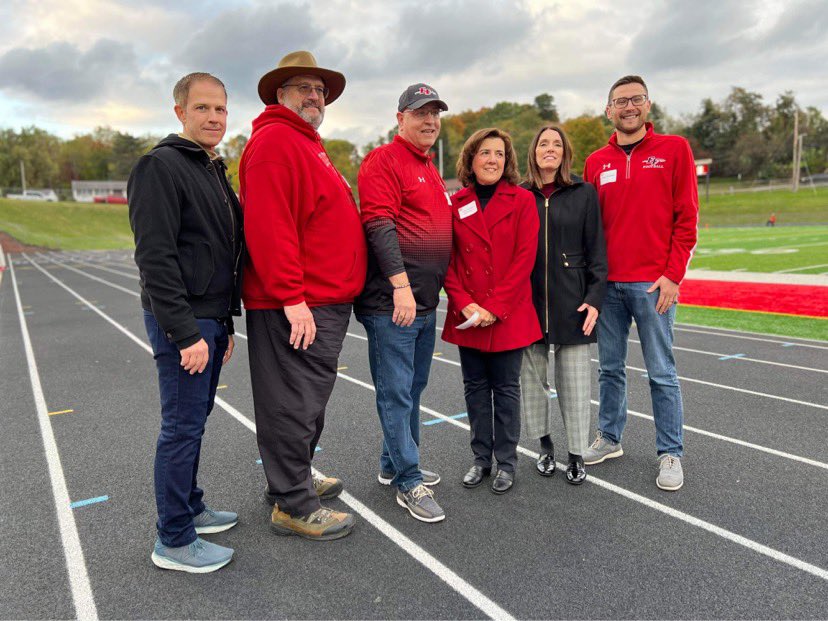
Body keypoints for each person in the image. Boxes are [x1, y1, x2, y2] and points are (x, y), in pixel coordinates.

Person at [241, 51, 367, 539]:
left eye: (319, 90)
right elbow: (270, 225)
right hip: (298, 303)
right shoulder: (276, 141)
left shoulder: (304, 142)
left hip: (321, 300)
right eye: (303, 88)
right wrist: (292, 297)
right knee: (292, 402)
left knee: (307, 401)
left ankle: (292, 480)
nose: (314, 96)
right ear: (280, 95)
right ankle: (293, 504)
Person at [129, 72, 243, 573]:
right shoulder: (160, 166)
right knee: (180, 427)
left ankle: (192, 507)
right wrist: (185, 333)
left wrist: (226, 323)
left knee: (194, 422)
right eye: (202, 108)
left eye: (220, 109)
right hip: (185, 323)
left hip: (210, 318)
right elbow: (155, 258)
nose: (214, 117)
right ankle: (173, 538)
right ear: (180, 112)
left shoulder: (212, 167)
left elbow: (221, 250)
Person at [582, 75, 698, 491]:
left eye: (636, 99)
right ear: (608, 110)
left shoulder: (674, 149)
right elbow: (590, 227)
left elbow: (687, 217)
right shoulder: (596, 162)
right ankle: (609, 437)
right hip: (608, 286)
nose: (628, 107)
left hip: (653, 285)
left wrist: (672, 275)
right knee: (610, 369)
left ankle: (670, 452)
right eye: (620, 101)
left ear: (647, 105)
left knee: (661, 372)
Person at [355, 83, 452, 522]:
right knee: (396, 393)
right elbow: (378, 224)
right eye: (420, 113)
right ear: (400, 118)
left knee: (412, 389)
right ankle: (408, 481)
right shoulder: (384, 160)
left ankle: (391, 463)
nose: (430, 120)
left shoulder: (429, 166)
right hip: (393, 304)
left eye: (435, 113)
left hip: (424, 304)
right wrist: (400, 285)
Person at [442, 128, 540, 494]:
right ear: (471, 159)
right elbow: (448, 260)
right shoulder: (457, 202)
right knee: (475, 390)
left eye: (499, 154)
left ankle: (507, 462)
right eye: (485, 152)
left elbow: (524, 259)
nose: (493, 160)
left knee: (506, 390)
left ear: (507, 161)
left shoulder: (522, 200)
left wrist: (494, 308)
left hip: (506, 313)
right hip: (469, 315)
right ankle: (481, 459)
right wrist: (463, 302)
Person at [519, 125, 607, 485]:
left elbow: (597, 250)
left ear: (565, 152)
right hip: (528, 303)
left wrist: (594, 298)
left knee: (575, 384)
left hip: (573, 301)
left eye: (557, 144)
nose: (550, 148)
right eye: (543, 143)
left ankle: (575, 453)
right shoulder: (519, 194)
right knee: (532, 381)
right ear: (534, 151)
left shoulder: (584, 193)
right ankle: (544, 446)